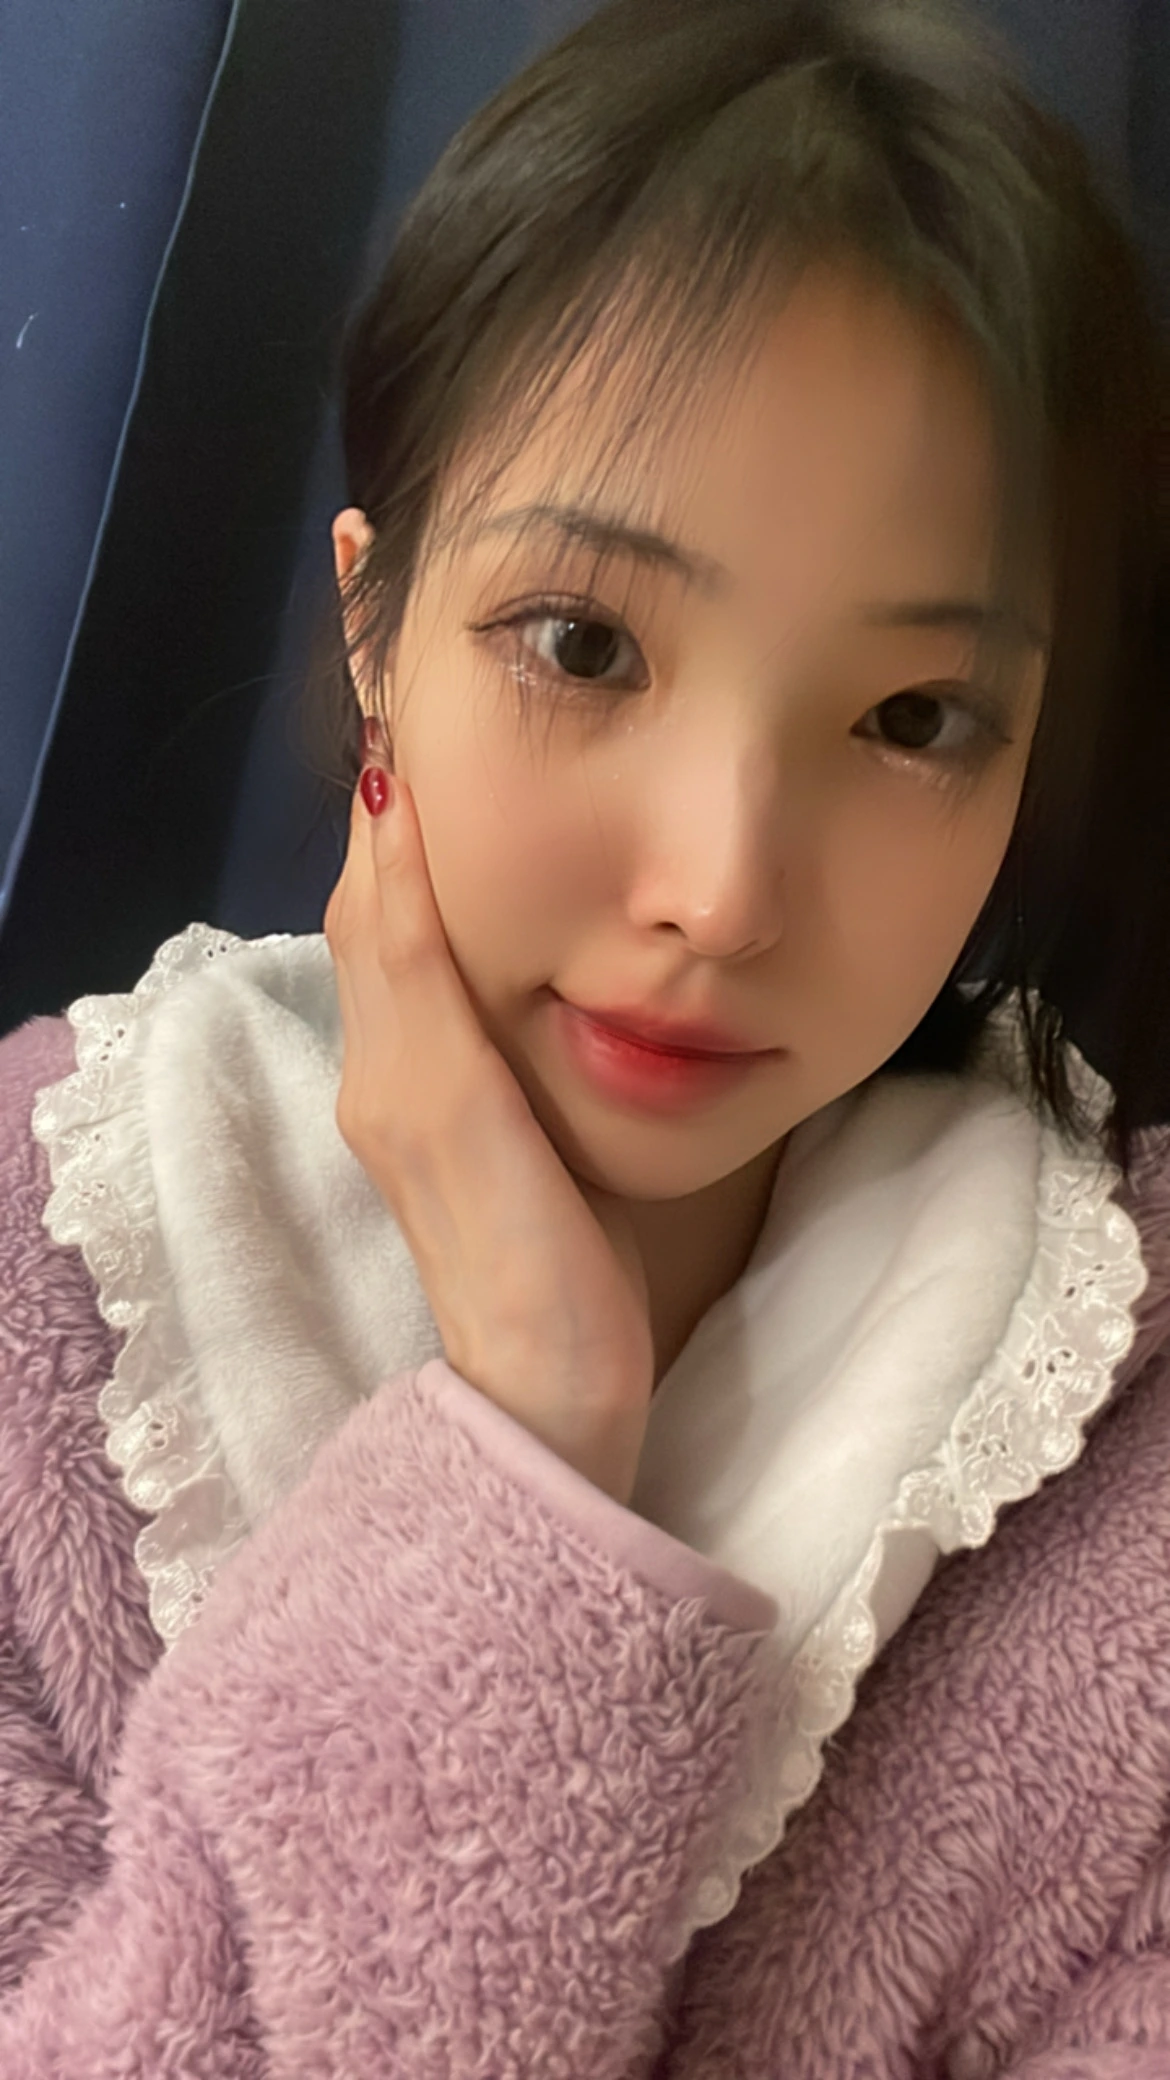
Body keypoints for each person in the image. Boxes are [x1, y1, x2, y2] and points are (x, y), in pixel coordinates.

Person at [0, 0, 1167, 2070]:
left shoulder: (1120, 1422)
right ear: (371, 627)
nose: (721, 890)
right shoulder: (36, 1294)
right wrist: (527, 1429)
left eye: (912, 717)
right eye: (585, 641)